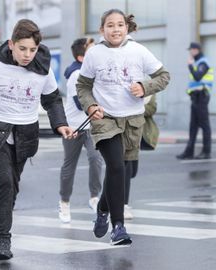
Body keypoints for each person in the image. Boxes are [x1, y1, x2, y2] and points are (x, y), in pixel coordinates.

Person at [0, 19, 75, 260]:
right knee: (5, 182)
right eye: (22, 49)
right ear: (11, 44)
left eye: (32, 49)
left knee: (12, 186)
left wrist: (60, 124)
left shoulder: (43, 70)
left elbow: (51, 100)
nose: (27, 55)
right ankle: (2, 238)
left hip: (25, 134)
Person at [77, 9, 170, 246]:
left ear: (126, 28)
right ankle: (118, 227)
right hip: (104, 118)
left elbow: (164, 76)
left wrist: (144, 86)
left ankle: (102, 209)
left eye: (120, 25)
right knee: (116, 166)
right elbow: (83, 86)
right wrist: (90, 106)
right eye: (110, 25)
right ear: (102, 30)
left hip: (132, 120)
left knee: (119, 170)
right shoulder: (94, 54)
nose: (115, 29)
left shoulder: (138, 50)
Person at [58, 37, 103, 223]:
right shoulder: (76, 75)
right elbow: (80, 103)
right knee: (70, 166)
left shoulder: (90, 72)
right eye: (90, 49)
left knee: (96, 159)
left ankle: (94, 197)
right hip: (74, 127)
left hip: (90, 126)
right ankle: (64, 202)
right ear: (81, 56)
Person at [124, 94, 159, 220]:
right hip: (125, 130)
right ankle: (123, 205)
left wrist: (137, 108)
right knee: (124, 170)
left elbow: (152, 108)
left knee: (133, 172)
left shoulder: (148, 90)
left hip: (139, 133)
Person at [177, 42, 213, 160]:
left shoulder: (203, 62)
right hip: (195, 97)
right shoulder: (198, 62)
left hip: (202, 97)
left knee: (204, 125)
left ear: (196, 50)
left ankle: (206, 152)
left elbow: (198, 76)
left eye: (191, 50)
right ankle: (189, 152)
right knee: (193, 126)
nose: (190, 52)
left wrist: (191, 66)